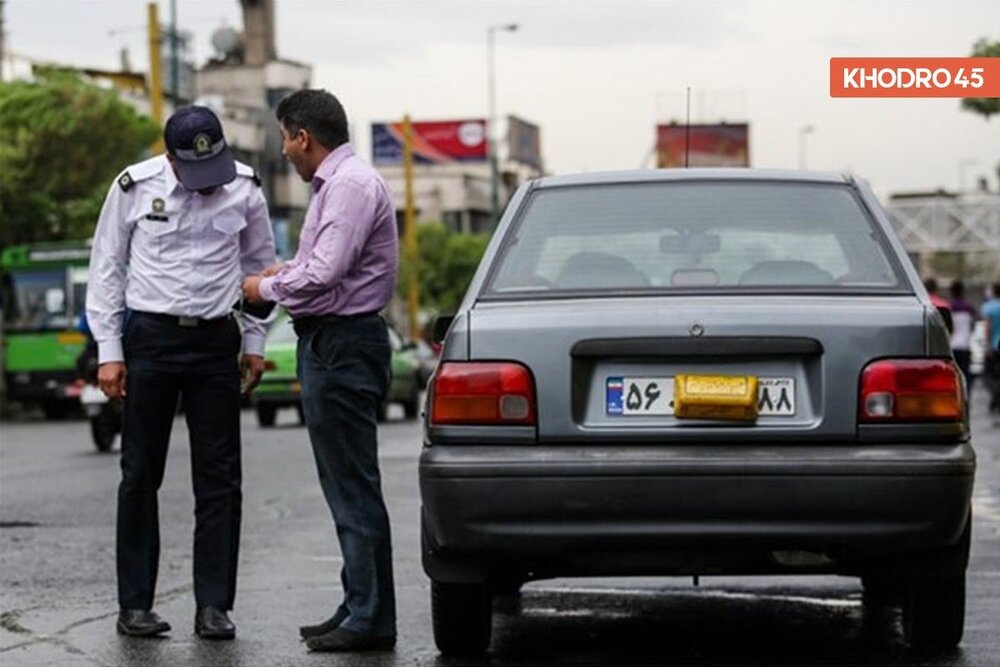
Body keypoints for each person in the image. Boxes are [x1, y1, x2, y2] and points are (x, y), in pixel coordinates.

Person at [87, 106, 276, 640]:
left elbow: (260, 269)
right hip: (150, 339)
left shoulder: (244, 188)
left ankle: (214, 605)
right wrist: (109, 349)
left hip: (216, 342)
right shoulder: (132, 188)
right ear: (169, 158)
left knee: (220, 480)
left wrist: (255, 343)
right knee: (140, 474)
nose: (205, 186)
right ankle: (135, 605)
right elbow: (107, 267)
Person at [242, 89, 398, 653]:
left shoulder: (350, 186)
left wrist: (264, 286)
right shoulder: (337, 186)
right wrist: (289, 270)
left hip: (342, 342)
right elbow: (320, 265)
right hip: (332, 341)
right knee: (344, 484)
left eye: (285, 137)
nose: (284, 150)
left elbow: (326, 274)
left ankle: (371, 615)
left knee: (353, 486)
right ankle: (360, 602)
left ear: (303, 136)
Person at [948, 279, 976, 388]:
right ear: (962, 291)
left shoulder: (948, 307)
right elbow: (972, 327)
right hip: (965, 346)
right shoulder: (969, 308)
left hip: (951, 346)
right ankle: (967, 398)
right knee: (966, 375)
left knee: (954, 376)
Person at [982, 281, 1000, 414]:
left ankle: (996, 397)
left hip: (994, 347)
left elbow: (987, 327)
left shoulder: (988, 307)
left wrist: (987, 345)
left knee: (989, 375)